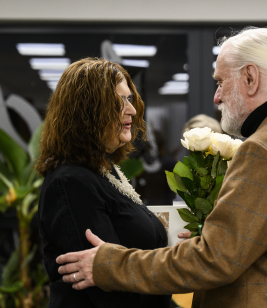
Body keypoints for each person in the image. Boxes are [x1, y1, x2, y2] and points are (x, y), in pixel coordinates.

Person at [56, 28, 267, 308]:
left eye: (220, 82)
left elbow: (214, 260)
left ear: (250, 77)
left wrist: (110, 265)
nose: (217, 96)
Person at [36, 58, 171, 307]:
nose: (131, 110)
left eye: (129, 99)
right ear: (87, 112)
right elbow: (109, 292)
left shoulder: (104, 169)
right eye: (118, 102)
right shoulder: (71, 182)